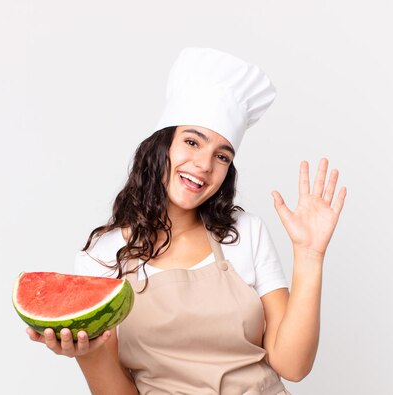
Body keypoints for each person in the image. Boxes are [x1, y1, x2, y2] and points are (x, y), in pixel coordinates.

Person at [26, 47, 347, 394]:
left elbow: (293, 365)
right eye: (192, 141)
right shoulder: (104, 255)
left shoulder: (244, 233)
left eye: (221, 156)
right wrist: (87, 355)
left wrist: (310, 256)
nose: (204, 164)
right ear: (162, 145)